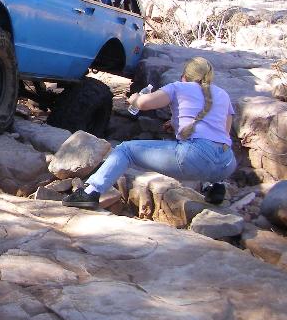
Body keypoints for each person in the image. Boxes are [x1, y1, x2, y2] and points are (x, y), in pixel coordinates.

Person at [62, 56, 237, 209]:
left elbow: (144, 104)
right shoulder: (223, 94)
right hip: (226, 163)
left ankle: (91, 192)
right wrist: (175, 123)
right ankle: (217, 187)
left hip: (194, 157)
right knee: (211, 151)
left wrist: (135, 99)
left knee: (125, 150)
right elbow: (223, 133)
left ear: (184, 76)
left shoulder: (178, 87)